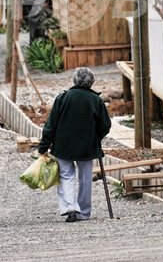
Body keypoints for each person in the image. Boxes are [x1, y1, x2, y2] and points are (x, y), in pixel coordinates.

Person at [37, 67, 112, 222]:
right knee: (85, 178)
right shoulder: (96, 100)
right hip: (87, 146)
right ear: (92, 82)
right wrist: (95, 138)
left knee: (66, 176)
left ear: (74, 81)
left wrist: (43, 146)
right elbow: (105, 125)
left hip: (63, 145)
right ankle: (83, 213)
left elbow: (51, 125)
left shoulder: (63, 98)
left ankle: (70, 207)